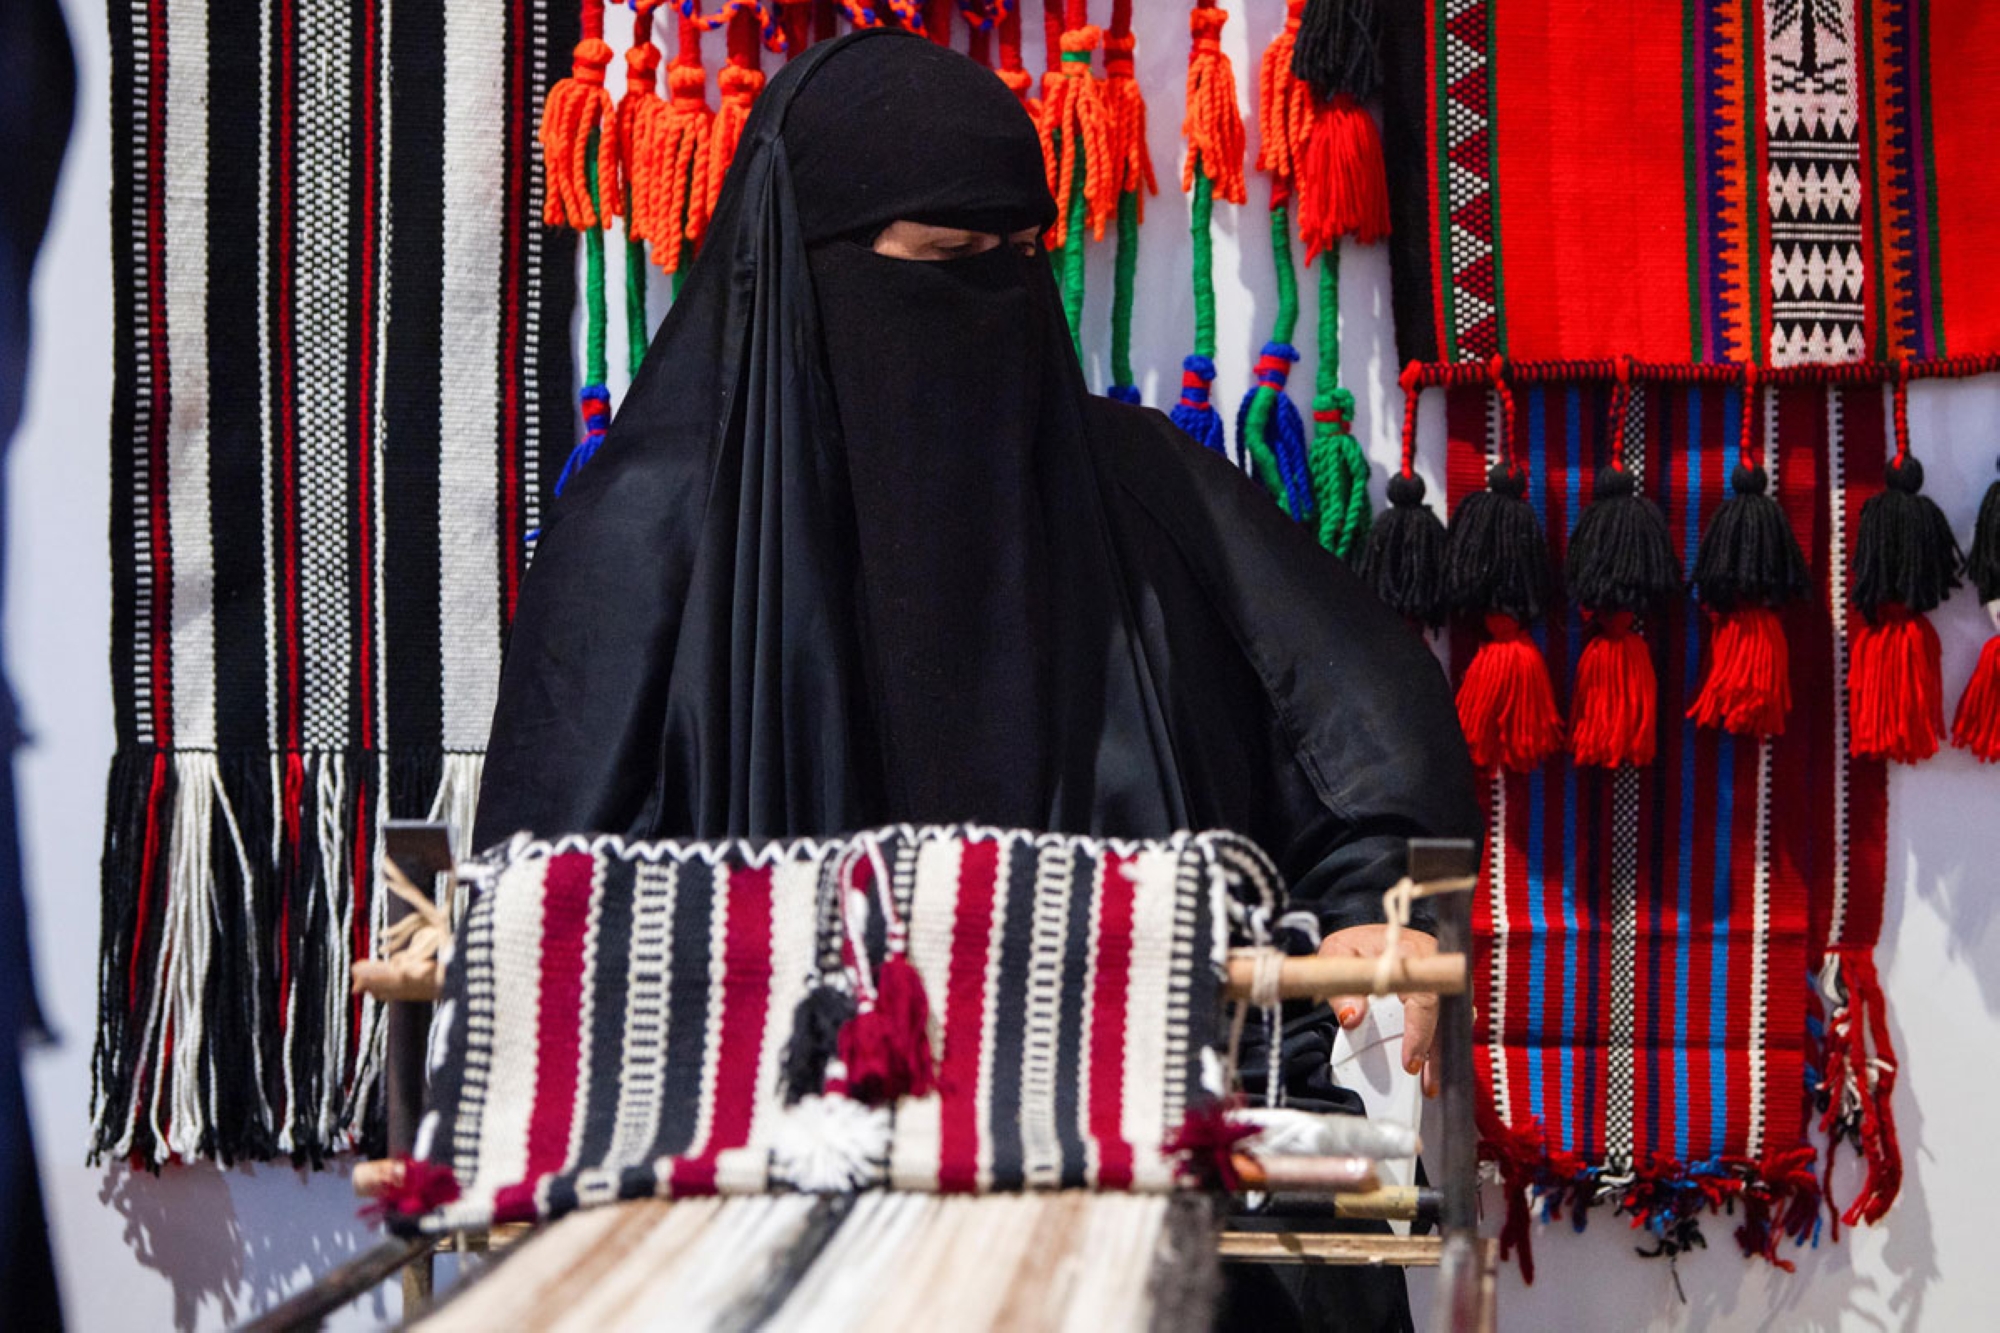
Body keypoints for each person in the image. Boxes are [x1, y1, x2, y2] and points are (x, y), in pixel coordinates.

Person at [474, 27, 1478, 1331]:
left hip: (1172, 1185)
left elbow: (1356, 732)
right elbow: (545, 935)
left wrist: (1381, 908)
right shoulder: (652, 539)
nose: (992, 306)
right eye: (944, 268)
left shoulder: (1134, 484)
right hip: (783, 1214)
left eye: (1019, 262)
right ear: (805, 267)